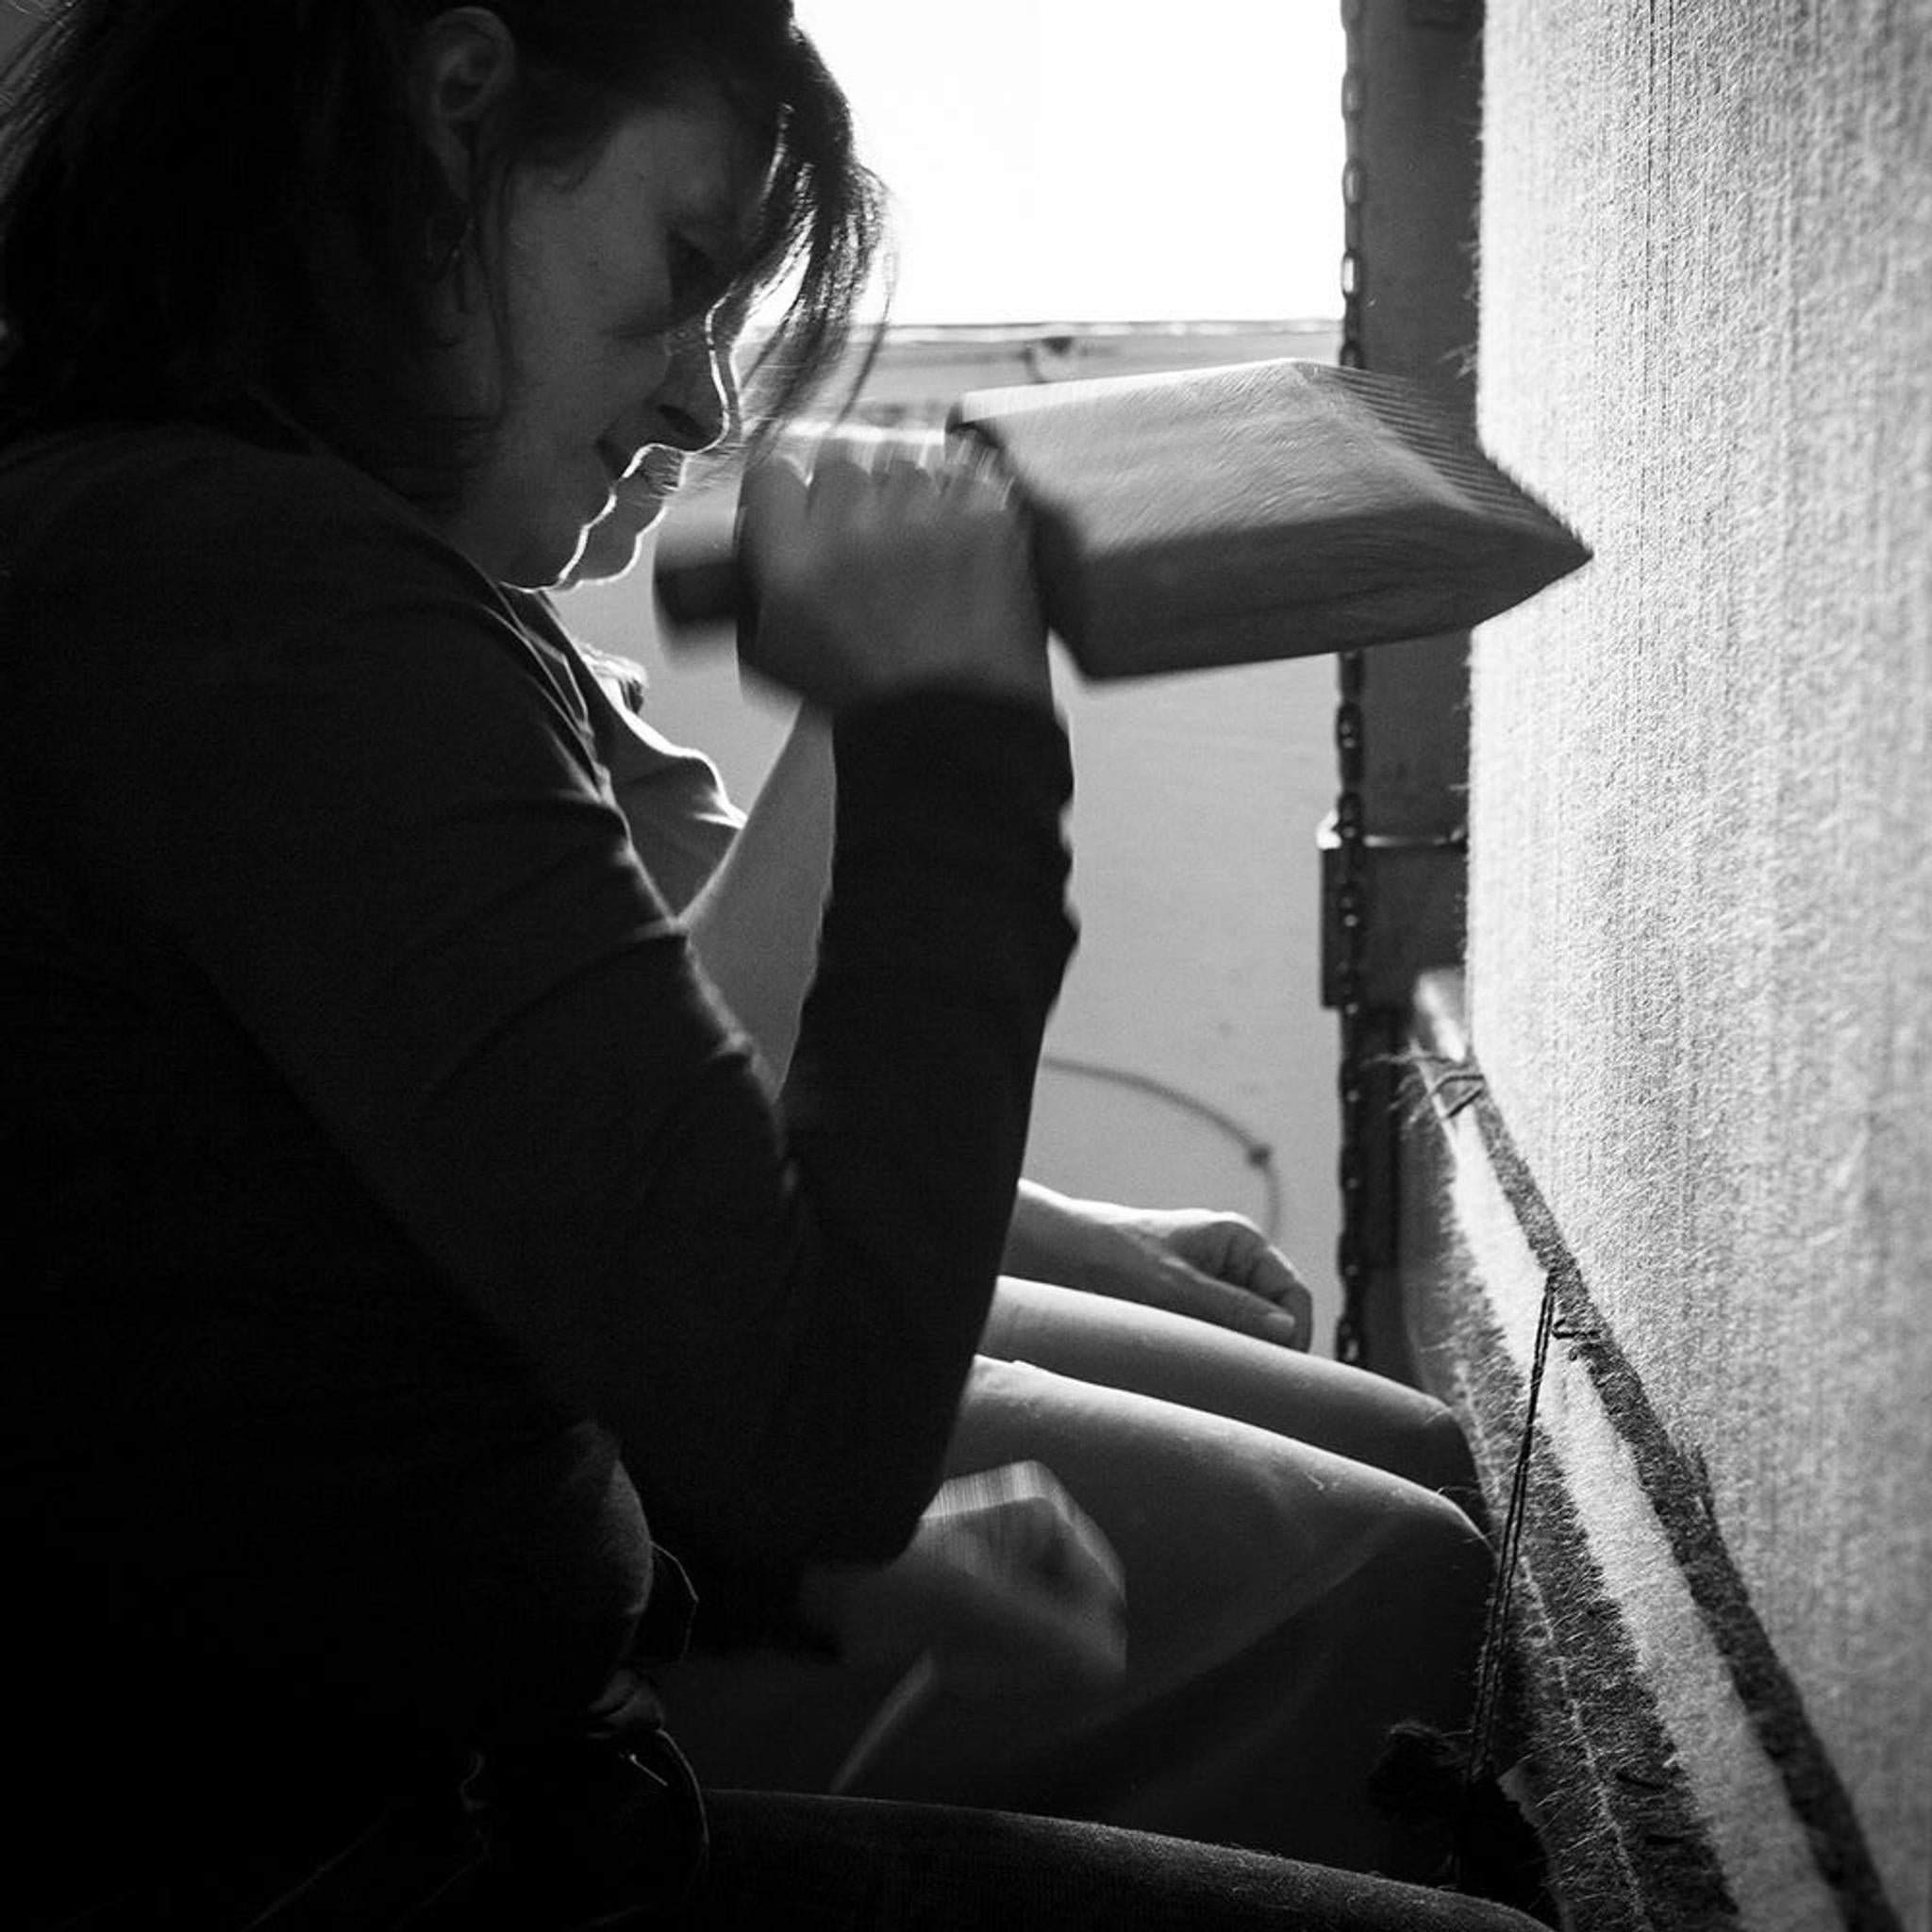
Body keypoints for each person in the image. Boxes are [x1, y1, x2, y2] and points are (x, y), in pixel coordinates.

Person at [0, 4, 1542, 1928]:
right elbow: (814, 1433)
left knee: (1375, 1516)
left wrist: (720, 1574)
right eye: (677, 273)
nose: (701, 410)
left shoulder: (164, 531)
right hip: (397, 1853)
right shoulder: (267, 609)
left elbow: (338, 1346)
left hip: (466, 1731)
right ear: (442, 108)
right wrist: (944, 721)